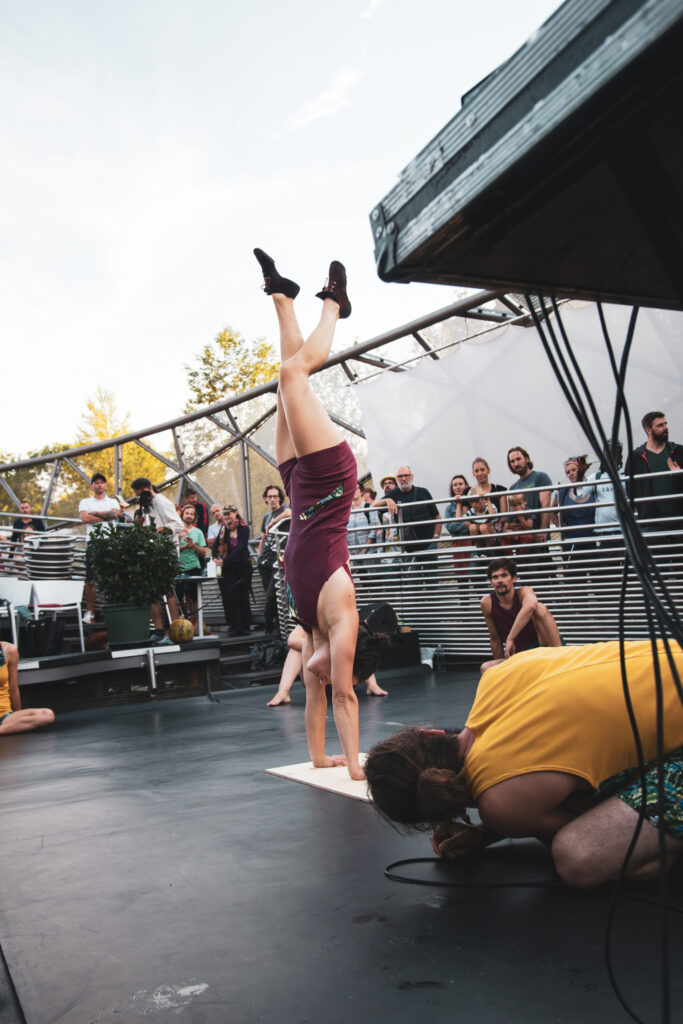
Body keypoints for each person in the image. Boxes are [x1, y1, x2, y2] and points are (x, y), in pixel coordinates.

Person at [365, 640, 683, 888]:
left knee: (577, 856)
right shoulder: (495, 676)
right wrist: (486, 832)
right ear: (431, 733)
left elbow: (579, 826)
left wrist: (492, 828)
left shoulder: (499, 803)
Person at [253, 246, 385, 779]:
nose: (318, 677)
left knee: (283, 386)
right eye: (328, 676)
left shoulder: (312, 631)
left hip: (297, 489)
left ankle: (284, 298)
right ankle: (335, 305)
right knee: (293, 377)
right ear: (346, 667)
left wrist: (319, 758)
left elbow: (315, 702)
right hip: (330, 481)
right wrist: (354, 766)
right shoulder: (341, 619)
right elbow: (344, 701)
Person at [266, 625, 387, 706]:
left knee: (356, 648)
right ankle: (283, 691)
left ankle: (372, 685)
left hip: (344, 677)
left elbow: (362, 649)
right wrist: (321, 647)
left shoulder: (344, 620)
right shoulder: (314, 616)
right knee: (296, 649)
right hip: (318, 674)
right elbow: (292, 640)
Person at [480, 557, 561, 671]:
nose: (499, 580)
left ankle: (560, 657)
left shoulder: (524, 592)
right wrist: (501, 671)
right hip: (520, 656)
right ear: (491, 582)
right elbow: (495, 639)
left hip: (542, 646)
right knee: (486, 667)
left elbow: (531, 605)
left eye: (504, 576)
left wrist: (510, 639)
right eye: (495, 577)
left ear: (513, 579)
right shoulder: (487, 603)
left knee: (539, 607)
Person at [130, 478, 184, 635]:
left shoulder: (161, 501)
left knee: (168, 590)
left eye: (139, 494)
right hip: (151, 553)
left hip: (166, 553)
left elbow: (178, 525)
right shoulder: (146, 506)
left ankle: (175, 628)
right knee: (152, 592)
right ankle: (158, 629)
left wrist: (158, 530)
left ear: (147, 488)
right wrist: (139, 525)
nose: (138, 498)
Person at [625, 411, 683, 546]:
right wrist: (643, 510)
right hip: (651, 524)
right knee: (657, 564)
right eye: (660, 425)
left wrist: (679, 474)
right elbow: (630, 491)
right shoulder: (636, 457)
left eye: (665, 424)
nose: (665, 427)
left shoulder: (679, 452)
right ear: (648, 430)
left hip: (679, 520)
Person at [373, 466, 442, 569]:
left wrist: (435, 537)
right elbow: (373, 505)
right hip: (408, 548)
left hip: (429, 545)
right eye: (400, 476)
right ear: (396, 479)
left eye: (406, 475)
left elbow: (437, 517)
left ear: (412, 477)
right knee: (412, 580)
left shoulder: (423, 492)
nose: (403, 479)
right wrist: (387, 501)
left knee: (431, 579)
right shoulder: (393, 494)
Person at [78, 473, 125, 624]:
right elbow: (85, 518)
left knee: (112, 577)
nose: (99, 485)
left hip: (110, 541)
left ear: (105, 485)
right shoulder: (85, 501)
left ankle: (111, 609)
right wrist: (107, 516)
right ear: (92, 485)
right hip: (94, 542)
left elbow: (116, 514)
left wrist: (96, 514)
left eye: (102, 483)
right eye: (96, 483)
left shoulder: (112, 501)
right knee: (90, 579)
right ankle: (90, 612)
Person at [212, 505, 252, 636]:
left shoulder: (244, 528)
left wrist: (226, 560)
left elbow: (241, 547)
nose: (227, 516)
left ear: (236, 513)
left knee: (242, 595)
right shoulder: (224, 529)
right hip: (228, 567)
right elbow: (216, 544)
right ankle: (234, 625)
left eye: (230, 514)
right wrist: (215, 558)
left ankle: (244, 626)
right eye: (226, 514)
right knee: (230, 597)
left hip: (242, 566)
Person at [257, 485, 291, 635]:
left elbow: (290, 512)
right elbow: (263, 537)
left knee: (273, 594)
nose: (272, 499)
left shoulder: (284, 509)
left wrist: (273, 522)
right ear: (266, 498)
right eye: (269, 496)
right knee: (269, 595)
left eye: (275, 496)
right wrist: (259, 555)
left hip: (279, 559)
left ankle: (270, 627)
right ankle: (276, 625)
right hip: (265, 561)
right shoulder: (265, 516)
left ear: (280, 498)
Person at [0, 641, 54, 735]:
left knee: (47, 715)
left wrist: (18, 718)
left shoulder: (8, 650)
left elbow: (14, 690)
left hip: (4, 716)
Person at [507, 447, 552, 547]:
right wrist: (510, 526)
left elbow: (546, 506)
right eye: (512, 461)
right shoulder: (513, 488)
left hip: (539, 537)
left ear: (526, 459)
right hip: (522, 539)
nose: (516, 463)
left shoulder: (541, 477)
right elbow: (513, 514)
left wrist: (543, 530)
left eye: (518, 459)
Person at [553, 456, 595, 561]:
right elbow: (551, 512)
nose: (571, 473)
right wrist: (560, 525)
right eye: (568, 472)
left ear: (580, 469)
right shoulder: (564, 491)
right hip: (572, 543)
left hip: (593, 541)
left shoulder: (593, 487)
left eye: (573, 470)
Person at [176, 505, 209, 628]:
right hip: (179, 567)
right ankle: (182, 622)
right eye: (187, 513)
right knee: (179, 597)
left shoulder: (198, 532)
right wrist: (184, 546)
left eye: (191, 514)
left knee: (194, 596)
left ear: (194, 517)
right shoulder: (177, 531)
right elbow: (173, 550)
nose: (189, 515)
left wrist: (193, 545)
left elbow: (203, 552)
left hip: (194, 566)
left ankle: (196, 624)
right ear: (182, 515)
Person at [347, 481, 380, 571]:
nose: (353, 490)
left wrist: (363, 552)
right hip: (353, 555)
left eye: (356, 488)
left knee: (374, 581)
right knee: (361, 582)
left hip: (369, 554)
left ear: (361, 492)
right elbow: (344, 531)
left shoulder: (369, 507)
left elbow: (373, 531)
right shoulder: (346, 511)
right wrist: (350, 551)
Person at [444, 475, 473, 577]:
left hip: (471, 541)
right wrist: (465, 524)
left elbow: (474, 523)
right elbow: (450, 528)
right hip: (456, 543)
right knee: (460, 576)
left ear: (466, 486)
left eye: (460, 484)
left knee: (474, 573)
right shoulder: (449, 508)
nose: (458, 487)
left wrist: (460, 524)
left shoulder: (472, 502)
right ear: (452, 488)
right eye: (455, 485)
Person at [500, 492, 536, 557]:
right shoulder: (511, 514)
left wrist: (521, 518)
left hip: (524, 534)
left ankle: (521, 558)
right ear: (510, 506)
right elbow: (504, 529)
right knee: (504, 540)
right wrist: (511, 533)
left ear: (525, 502)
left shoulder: (529, 512)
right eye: (514, 505)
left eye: (520, 504)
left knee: (528, 537)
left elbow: (529, 528)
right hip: (513, 534)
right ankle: (510, 559)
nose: (518, 507)